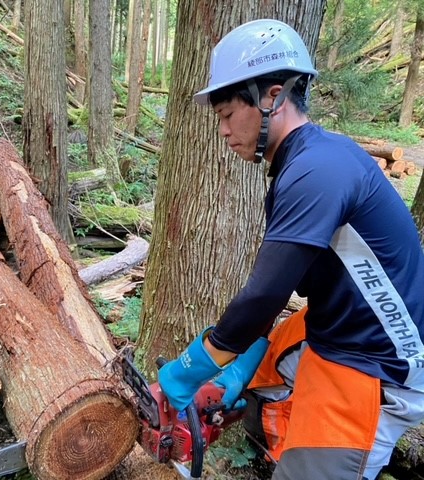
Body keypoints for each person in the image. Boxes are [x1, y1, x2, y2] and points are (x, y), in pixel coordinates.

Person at [158, 18, 424, 480]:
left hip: (381, 363)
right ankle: (279, 445)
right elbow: (283, 291)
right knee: (254, 368)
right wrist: (232, 371)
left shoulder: (318, 170)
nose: (222, 130)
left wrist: (189, 369)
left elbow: (264, 296)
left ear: (273, 95)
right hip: (340, 327)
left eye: (226, 114)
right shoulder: (302, 164)